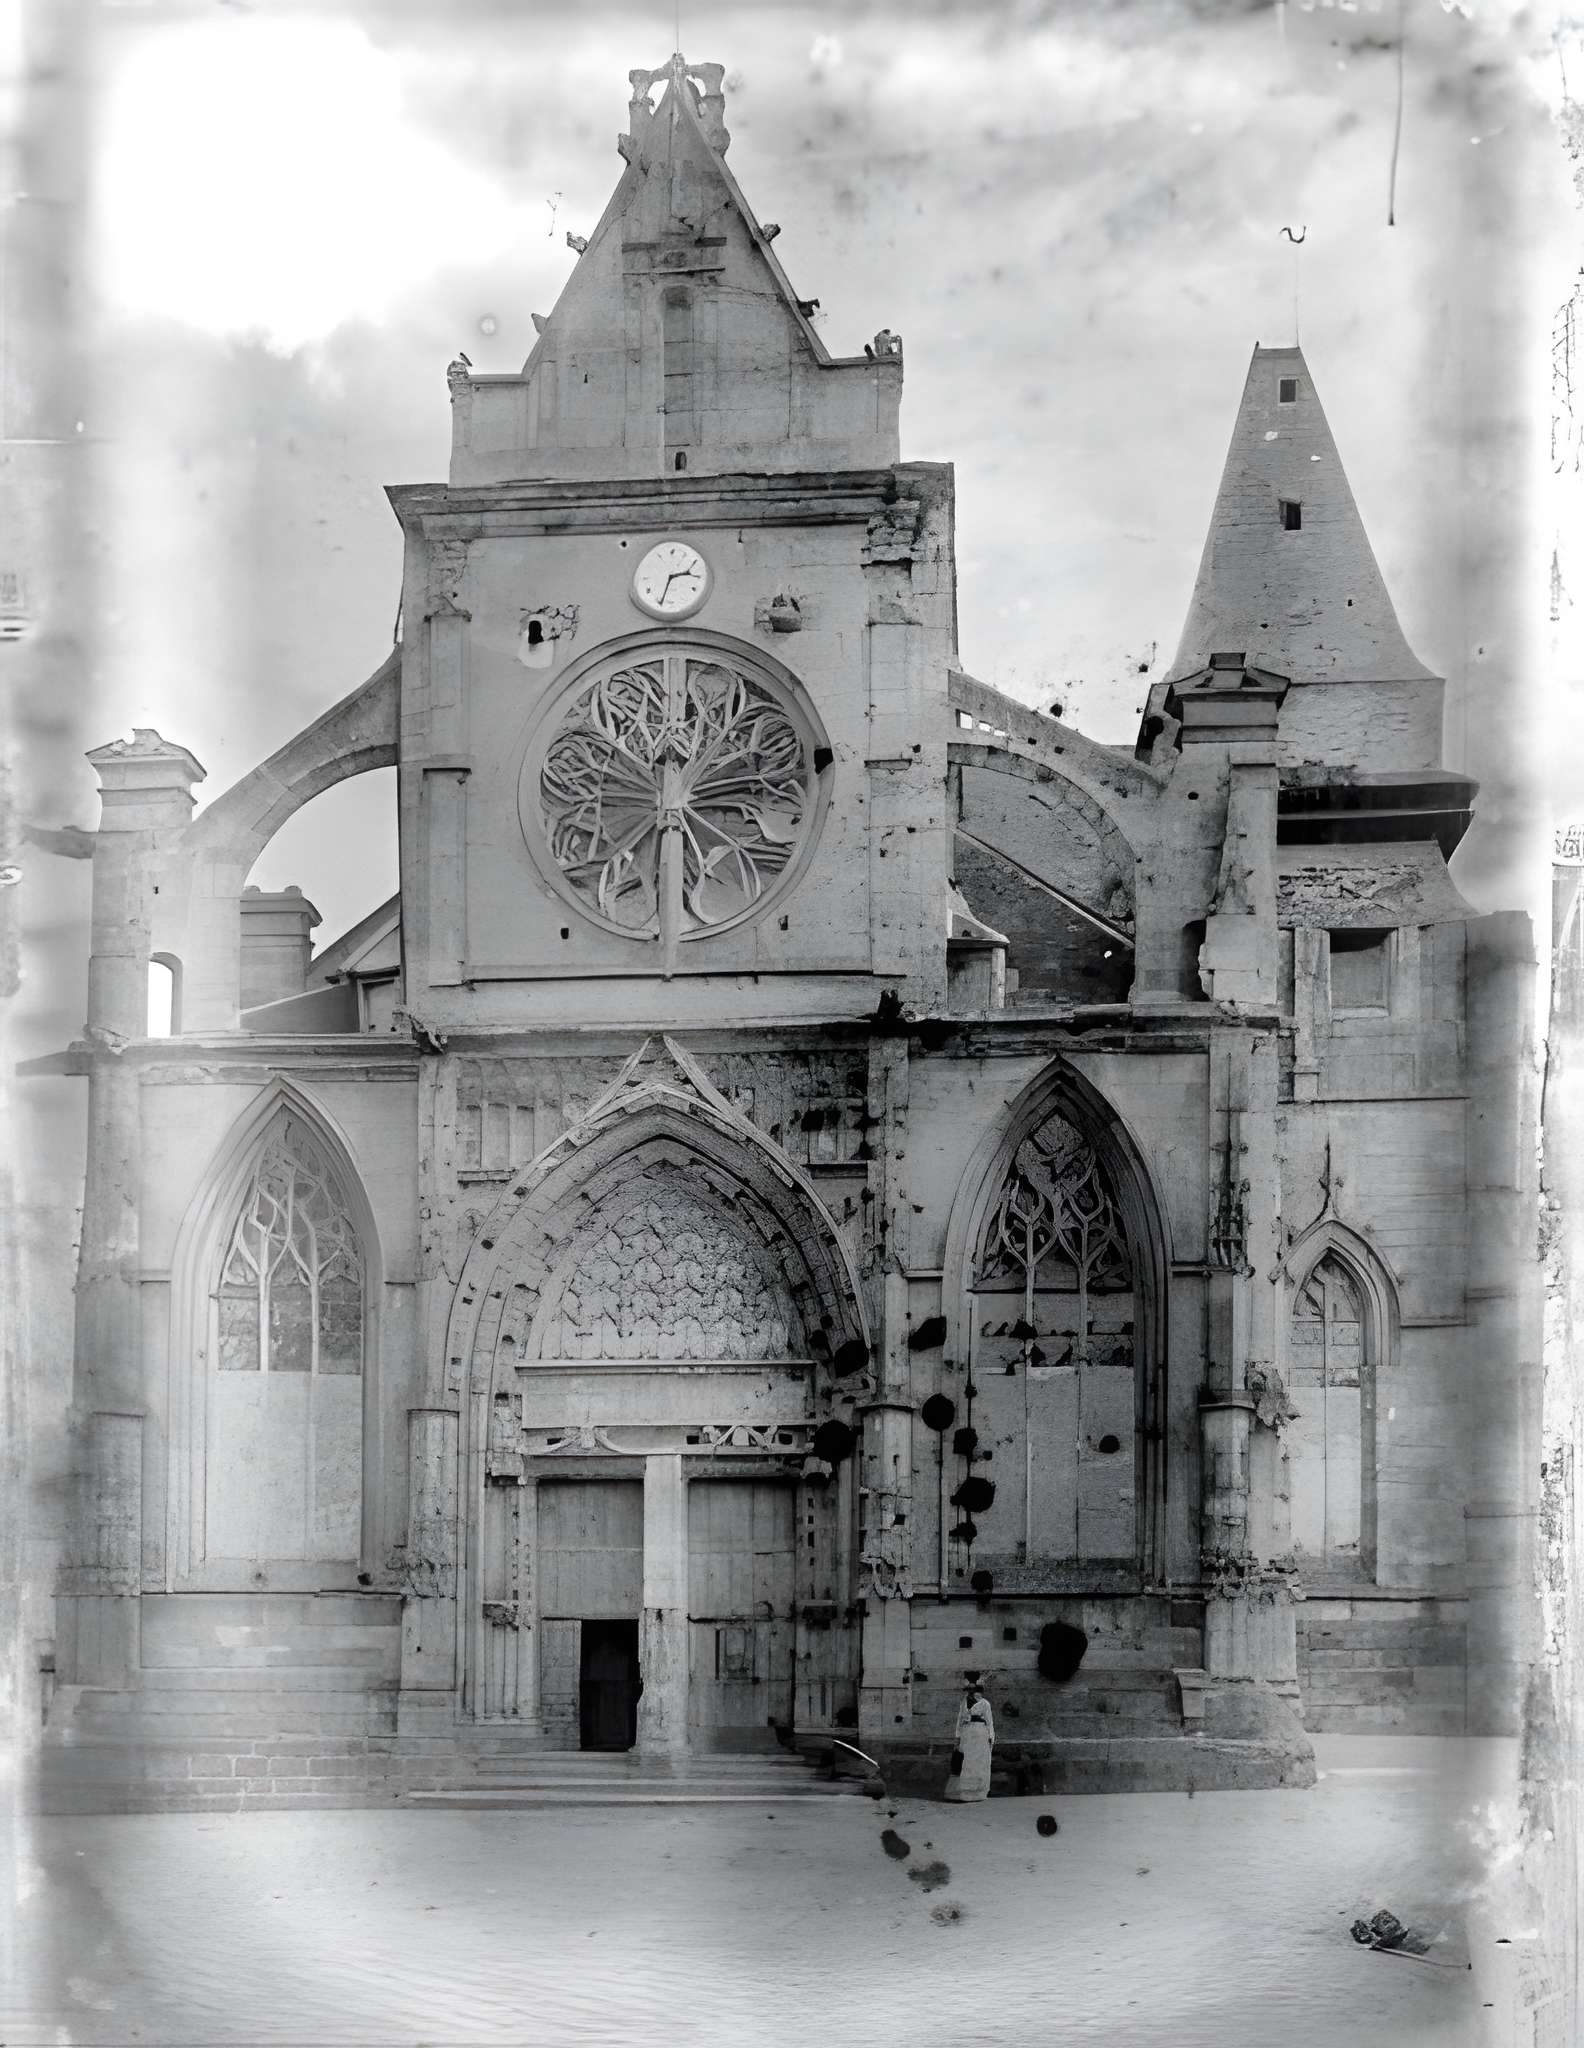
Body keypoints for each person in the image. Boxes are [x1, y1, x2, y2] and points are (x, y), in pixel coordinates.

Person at [944, 1680, 994, 1801]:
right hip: (967, 1734)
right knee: (965, 1762)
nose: (972, 1694)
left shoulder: (985, 1704)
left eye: (975, 1691)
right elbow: (959, 1720)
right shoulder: (964, 1703)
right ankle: (964, 1793)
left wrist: (991, 1737)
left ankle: (978, 1793)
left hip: (980, 1734)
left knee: (978, 1763)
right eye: (969, 1691)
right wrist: (957, 1737)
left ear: (979, 1692)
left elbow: (989, 1721)